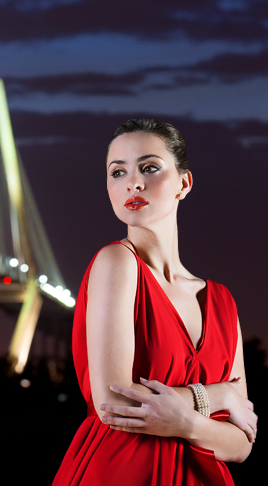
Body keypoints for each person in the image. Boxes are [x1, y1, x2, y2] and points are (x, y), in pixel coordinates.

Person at [53, 118, 256, 486]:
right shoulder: (116, 262)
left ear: (184, 183)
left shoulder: (222, 301)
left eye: (149, 168)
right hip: (121, 473)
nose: (133, 182)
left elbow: (242, 443)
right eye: (118, 172)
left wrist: (186, 422)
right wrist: (220, 395)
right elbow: (116, 404)